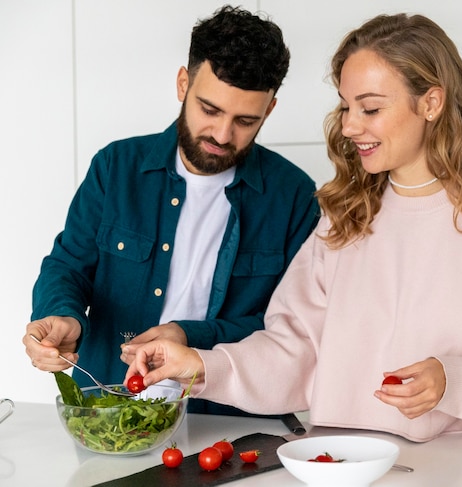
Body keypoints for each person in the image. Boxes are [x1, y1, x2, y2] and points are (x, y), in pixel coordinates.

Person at [122, 12, 462, 441]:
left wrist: (453, 381)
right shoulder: (342, 222)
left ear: (432, 102)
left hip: (459, 471)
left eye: (371, 108)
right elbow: (294, 350)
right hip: (339, 462)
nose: (350, 126)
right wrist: (201, 366)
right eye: (345, 107)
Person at [23, 5, 319, 416]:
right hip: (107, 407)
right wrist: (61, 316)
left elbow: (288, 328)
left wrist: (188, 334)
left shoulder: (294, 196)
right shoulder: (116, 167)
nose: (221, 134)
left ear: (269, 110)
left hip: (227, 419)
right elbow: (68, 266)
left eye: (245, 121)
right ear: (183, 83)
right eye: (210, 110)